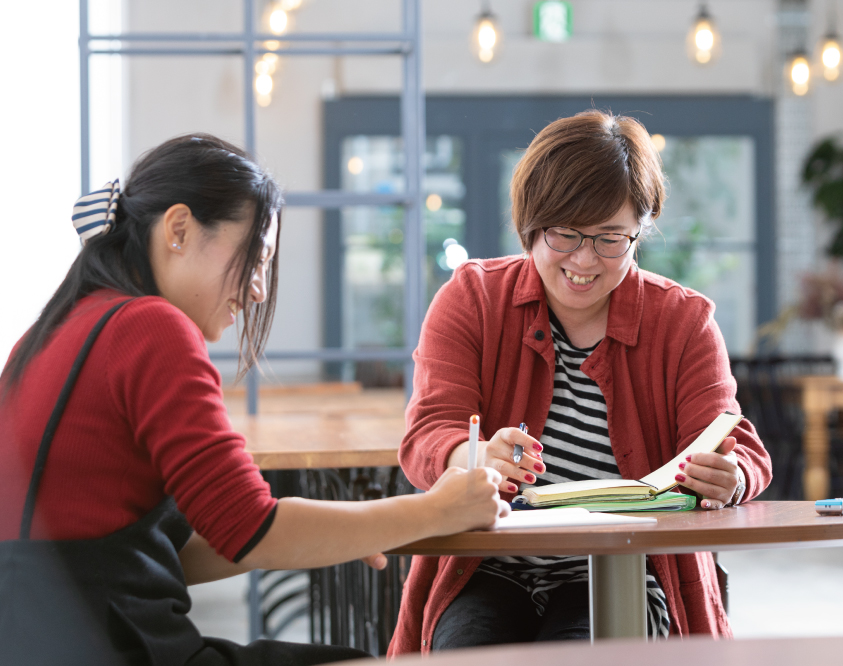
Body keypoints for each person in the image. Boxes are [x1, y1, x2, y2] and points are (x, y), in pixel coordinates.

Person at [0, 134, 509, 666]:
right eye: (257, 257)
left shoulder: (51, 333)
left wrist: (355, 528)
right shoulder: (150, 328)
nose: (260, 289)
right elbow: (250, 529)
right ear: (178, 230)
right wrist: (435, 509)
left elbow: (180, 554)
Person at [388, 110, 772, 655]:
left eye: (611, 239)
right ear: (530, 225)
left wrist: (730, 477)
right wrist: (470, 456)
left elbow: (741, 448)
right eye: (564, 235)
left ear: (641, 229)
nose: (585, 261)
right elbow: (427, 433)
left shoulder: (683, 323)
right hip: (488, 564)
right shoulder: (473, 299)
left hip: (625, 567)